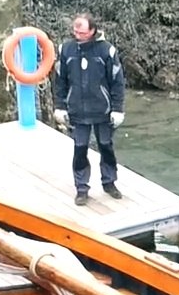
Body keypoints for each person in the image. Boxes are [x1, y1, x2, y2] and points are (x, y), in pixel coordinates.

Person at [52, 13, 126, 205]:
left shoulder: (107, 50)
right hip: (77, 110)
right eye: (75, 31)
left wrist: (117, 109)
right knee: (79, 149)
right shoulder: (66, 49)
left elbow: (117, 82)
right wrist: (60, 106)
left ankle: (109, 183)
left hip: (103, 110)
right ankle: (82, 188)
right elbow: (59, 80)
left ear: (92, 31)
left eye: (82, 32)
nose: (77, 34)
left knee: (106, 147)